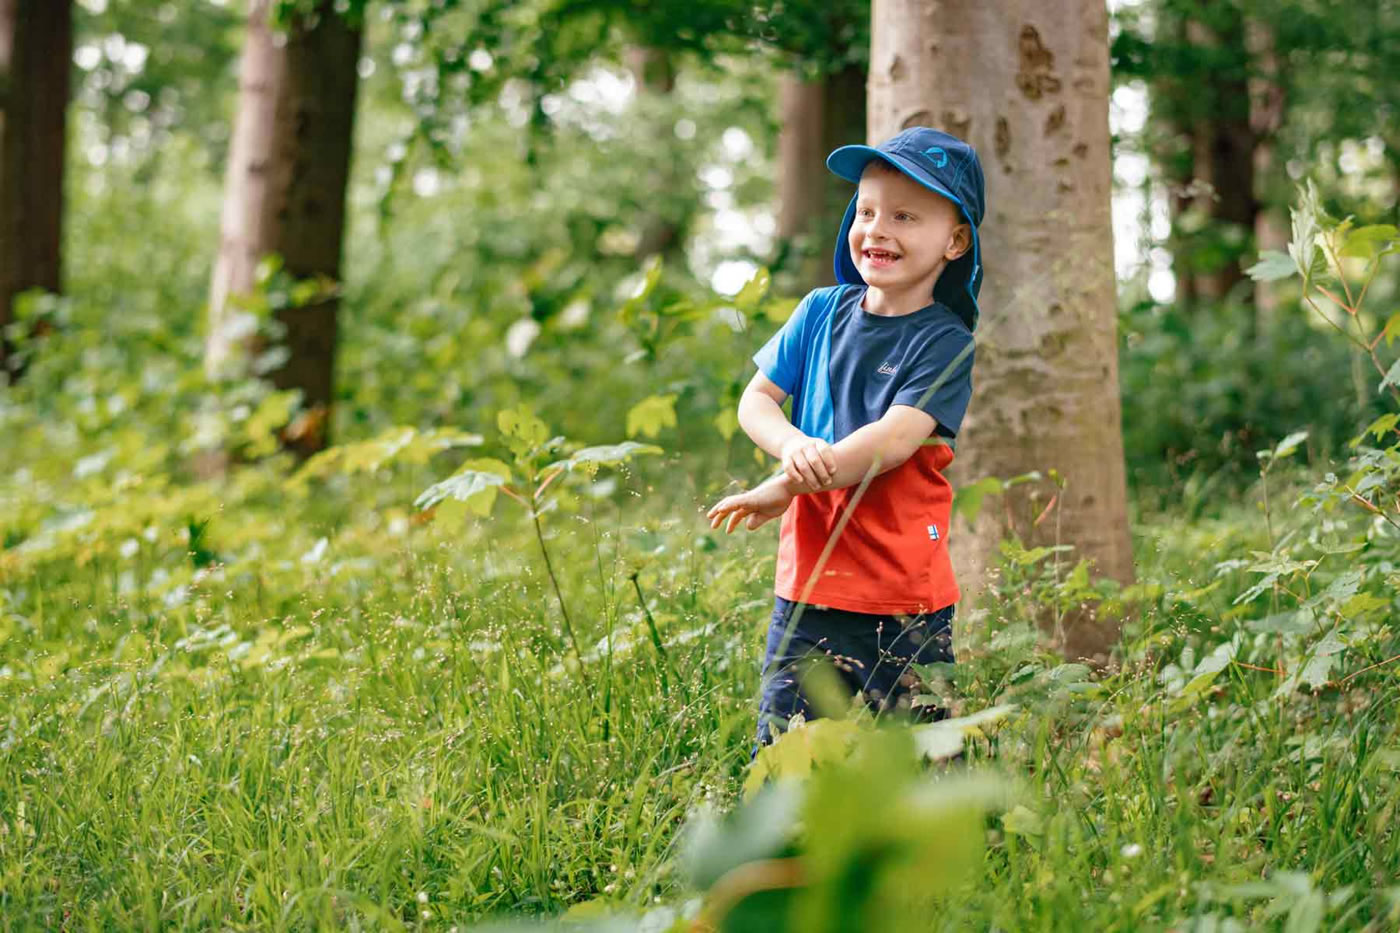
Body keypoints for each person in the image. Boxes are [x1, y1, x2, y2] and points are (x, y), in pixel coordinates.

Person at [705, 126, 986, 746]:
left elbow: (892, 441)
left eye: (905, 217)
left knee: (919, 759)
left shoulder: (945, 342)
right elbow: (756, 400)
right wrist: (790, 448)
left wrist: (787, 485)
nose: (877, 230)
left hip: (903, 596)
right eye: (866, 212)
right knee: (786, 753)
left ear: (955, 241)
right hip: (809, 587)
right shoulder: (819, 312)